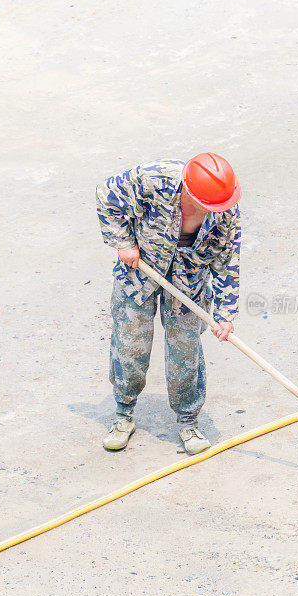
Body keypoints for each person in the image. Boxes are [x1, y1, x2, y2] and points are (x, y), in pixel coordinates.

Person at [95, 153, 241, 455]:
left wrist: (226, 313)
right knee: (130, 347)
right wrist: (123, 242)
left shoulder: (225, 209)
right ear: (187, 188)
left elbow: (228, 261)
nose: (212, 210)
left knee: (185, 353)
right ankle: (123, 415)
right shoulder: (155, 178)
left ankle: (189, 422)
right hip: (139, 273)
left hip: (189, 284)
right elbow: (106, 196)